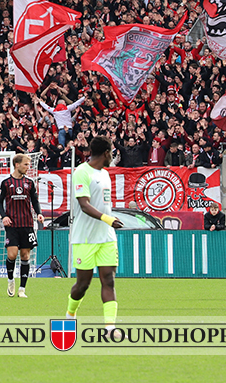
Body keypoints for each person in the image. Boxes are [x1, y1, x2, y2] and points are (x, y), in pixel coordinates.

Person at [66, 136, 124, 339]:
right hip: (85, 238)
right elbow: (84, 204)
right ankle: (70, 315)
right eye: (112, 153)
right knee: (83, 285)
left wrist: (109, 220)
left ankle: (110, 328)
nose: (113, 157)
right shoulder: (82, 171)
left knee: (108, 279)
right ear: (106, 153)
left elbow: (102, 204)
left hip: (106, 237)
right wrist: (108, 219)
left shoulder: (105, 174)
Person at [0, 153, 43, 298]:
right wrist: (4, 216)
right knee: (12, 254)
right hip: (12, 224)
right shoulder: (5, 183)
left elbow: (35, 201)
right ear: (17, 165)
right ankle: (11, 280)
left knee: (25, 255)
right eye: (25, 164)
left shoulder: (30, 183)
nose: (28, 167)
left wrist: (39, 213)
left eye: (29, 165)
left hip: (27, 223)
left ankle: (22, 288)